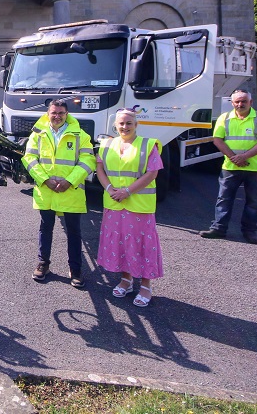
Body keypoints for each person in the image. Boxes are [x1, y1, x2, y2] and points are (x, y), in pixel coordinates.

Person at [21, 99, 96, 288]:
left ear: (67, 114)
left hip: (70, 191)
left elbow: (88, 161)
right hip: (46, 190)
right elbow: (29, 158)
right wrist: (44, 179)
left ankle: (76, 269)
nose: (57, 116)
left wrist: (69, 181)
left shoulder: (81, 135)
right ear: (48, 113)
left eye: (61, 113)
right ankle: (43, 264)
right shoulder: (37, 134)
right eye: (53, 113)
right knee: (45, 229)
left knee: (74, 232)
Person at [95, 108, 163, 307]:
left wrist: (127, 191)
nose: (124, 127)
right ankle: (126, 279)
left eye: (129, 123)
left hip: (138, 205)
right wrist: (109, 188)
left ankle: (145, 285)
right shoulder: (106, 144)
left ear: (136, 125)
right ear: (115, 125)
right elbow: (100, 169)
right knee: (121, 244)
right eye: (121, 123)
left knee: (142, 245)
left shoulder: (148, 145)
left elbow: (152, 174)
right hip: (114, 204)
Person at [200, 89, 257, 244]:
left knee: (253, 201)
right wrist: (235, 158)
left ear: (251, 102)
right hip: (231, 167)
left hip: (256, 168)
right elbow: (217, 140)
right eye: (237, 102)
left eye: (244, 101)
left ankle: (249, 232)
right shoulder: (224, 118)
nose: (240, 104)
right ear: (232, 103)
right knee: (224, 198)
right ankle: (219, 229)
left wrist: (243, 157)